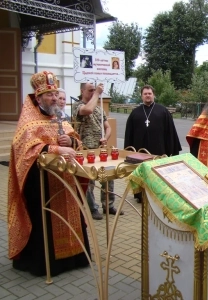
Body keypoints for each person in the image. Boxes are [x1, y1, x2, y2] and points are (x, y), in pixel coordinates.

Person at [8, 71, 90, 276]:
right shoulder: (28, 122)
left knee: (71, 216)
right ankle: (46, 264)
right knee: (44, 221)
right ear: (38, 97)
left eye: (55, 94)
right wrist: (55, 149)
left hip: (66, 181)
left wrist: (71, 142)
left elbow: (78, 143)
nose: (54, 98)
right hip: (41, 183)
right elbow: (25, 151)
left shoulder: (60, 119)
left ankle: (74, 259)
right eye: (49, 95)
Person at [73, 82, 124, 219]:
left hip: (100, 150)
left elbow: (107, 127)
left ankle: (108, 205)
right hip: (85, 150)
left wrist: (105, 138)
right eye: (90, 90)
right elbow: (86, 111)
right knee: (89, 181)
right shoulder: (77, 106)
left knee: (108, 177)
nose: (93, 93)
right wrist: (97, 93)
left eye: (94, 91)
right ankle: (92, 208)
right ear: (82, 91)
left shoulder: (99, 109)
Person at [124, 84, 182, 203]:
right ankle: (140, 195)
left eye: (149, 93)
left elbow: (170, 131)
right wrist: (128, 151)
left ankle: (157, 195)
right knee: (142, 172)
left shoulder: (163, 111)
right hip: (139, 151)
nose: (148, 96)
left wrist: (172, 149)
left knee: (157, 173)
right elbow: (129, 133)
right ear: (141, 96)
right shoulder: (135, 113)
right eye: (145, 94)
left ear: (154, 95)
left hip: (158, 149)